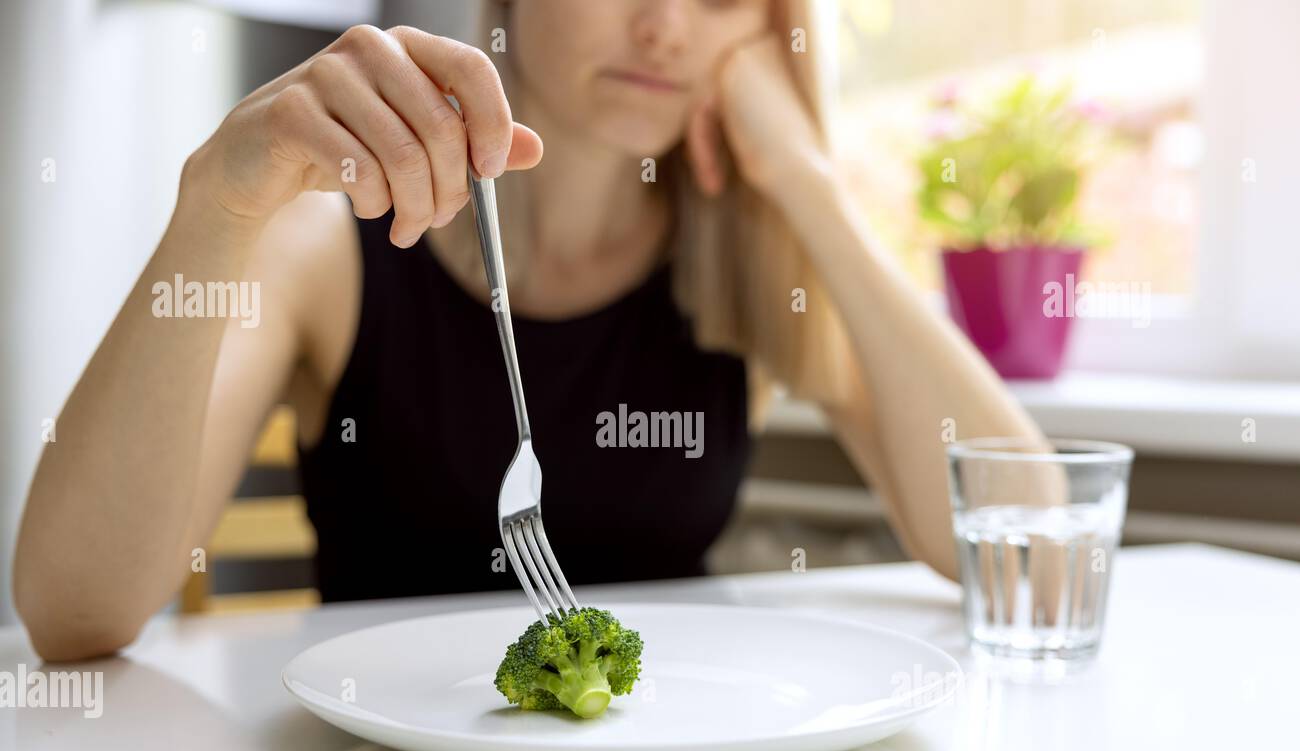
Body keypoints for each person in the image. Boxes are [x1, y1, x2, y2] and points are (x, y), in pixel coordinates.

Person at [13, 0, 1040, 662]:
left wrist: (808, 185)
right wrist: (216, 206)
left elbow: (1027, 546)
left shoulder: (750, 267)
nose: (666, 28)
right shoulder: (329, 248)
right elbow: (72, 613)